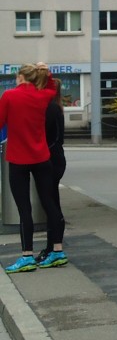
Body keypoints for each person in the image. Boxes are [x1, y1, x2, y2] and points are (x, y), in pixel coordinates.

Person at [1, 64, 67, 273]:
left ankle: (27, 256)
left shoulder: (9, 96)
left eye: (16, 77)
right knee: (50, 204)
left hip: (18, 159)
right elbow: (51, 87)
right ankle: (57, 251)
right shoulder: (43, 96)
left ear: (21, 77)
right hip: (42, 158)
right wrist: (47, 72)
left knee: (24, 209)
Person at [37, 70, 67, 265]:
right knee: (51, 202)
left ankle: (54, 247)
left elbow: (51, 138)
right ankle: (52, 246)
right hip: (56, 158)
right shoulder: (56, 107)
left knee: (50, 204)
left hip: (51, 159)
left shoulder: (50, 108)